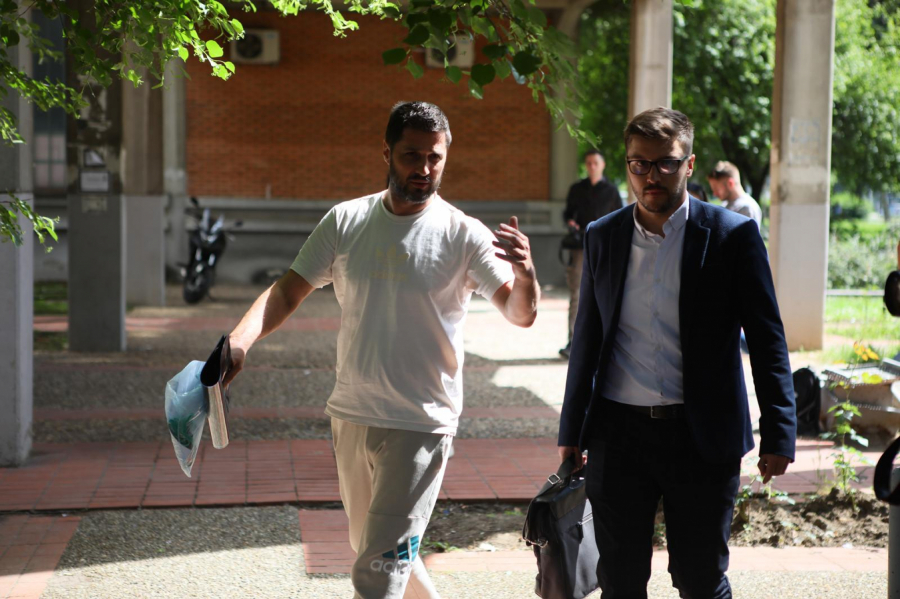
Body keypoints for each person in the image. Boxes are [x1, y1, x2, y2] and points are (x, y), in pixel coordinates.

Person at [223, 101, 539, 599]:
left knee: (378, 569)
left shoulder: (463, 233)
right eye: (412, 155)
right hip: (353, 413)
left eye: (435, 157)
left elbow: (520, 314)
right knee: (382, 553)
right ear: (387, 153)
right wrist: (240, 342)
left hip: (422, 421)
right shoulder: (346, 220)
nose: (425, 168)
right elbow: (287, 290)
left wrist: (526, 276)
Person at [557, 107, 796, 599]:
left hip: (701, 436)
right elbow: (587, 340)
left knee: (700, 579)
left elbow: (767, 337)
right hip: (618, 436)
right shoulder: (603, 235)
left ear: (689, 164)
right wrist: (571, 430)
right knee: (620, 582)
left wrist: (780, 429)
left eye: (666, 162)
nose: (652, 175)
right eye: (639, 163)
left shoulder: (732, 236)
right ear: (628, 165)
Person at [560, 149, 622, 358]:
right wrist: (570, 222)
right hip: (580, 248)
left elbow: (620, 219)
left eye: (596, 162)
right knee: (577, 294)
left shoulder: (612, 191)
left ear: (603, 165)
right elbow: (567, 213)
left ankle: (604, 343)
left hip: (604, 248)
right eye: (588, 163)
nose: (592, 166)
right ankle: (573, 342)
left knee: (605, 293)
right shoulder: (576, 189)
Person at [707, 160, 763, 228]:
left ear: (730, 183)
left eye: (717, 189)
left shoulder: (747, 208)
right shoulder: (725, 204)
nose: (714, 194)